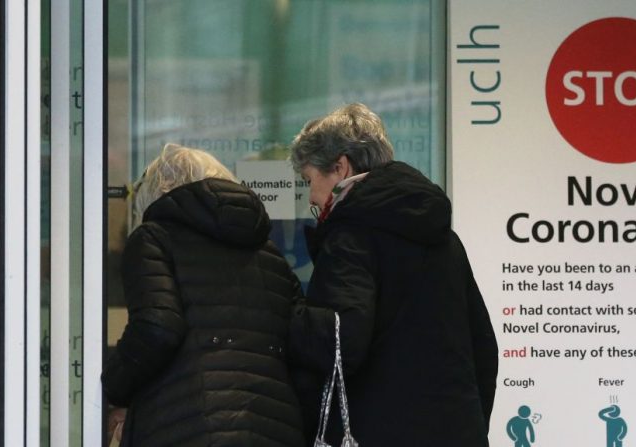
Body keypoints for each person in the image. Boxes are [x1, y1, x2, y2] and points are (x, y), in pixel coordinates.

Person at [287, 103, 498, 446]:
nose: (311, 195)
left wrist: (290, 315)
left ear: (340, 167)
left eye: (309, 180)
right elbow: (483, 349)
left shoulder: (352, 237)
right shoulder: (444, 239)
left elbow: (342, 342)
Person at [101, 144, 305, 447]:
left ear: (159, 191)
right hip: (276, 428)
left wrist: (114, 385)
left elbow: (157, 328)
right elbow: (299, 339)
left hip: (189, 423)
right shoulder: (270, 255)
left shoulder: (154, 238)